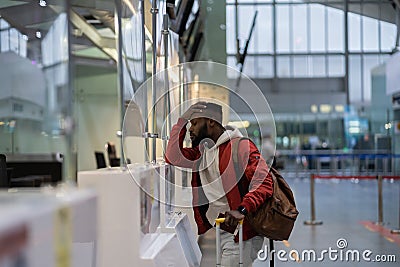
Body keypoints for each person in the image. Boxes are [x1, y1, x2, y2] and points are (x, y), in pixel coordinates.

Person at [165, 101, 273, 266]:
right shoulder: (201, 153)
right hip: (222, 228)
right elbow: (173, 156)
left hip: (242, 230)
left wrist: (242, 209)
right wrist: (182, 120)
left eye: (194, 123)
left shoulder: (241, 147)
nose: (189, 129)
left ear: (211, 122)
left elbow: (264, 183)